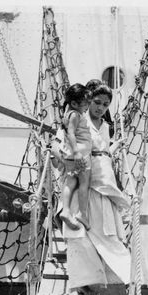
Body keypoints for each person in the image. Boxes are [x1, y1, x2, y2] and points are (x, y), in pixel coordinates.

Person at [62, 81, 131, 295]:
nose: (101, 107)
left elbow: (103, 151)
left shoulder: (105, 125)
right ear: (88, 101)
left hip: (104, 178)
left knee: (106, 233)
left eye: (105, 104)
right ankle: (74, 288)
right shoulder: (79, 119)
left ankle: (120, 277)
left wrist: (115, 147)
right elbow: (66, 144)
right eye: (97, 102)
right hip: (85, 180)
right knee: (78, 236)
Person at [59, 83, 92, 231]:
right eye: (85, 104)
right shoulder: (75, 115)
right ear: (74, 103)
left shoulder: (68, 114)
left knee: (70, 181)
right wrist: (77, 152)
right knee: (84, 183)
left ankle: (66, 210)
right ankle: (82, 214)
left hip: (70, 155)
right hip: (80, 154)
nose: (87, 107)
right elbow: (71, 133)